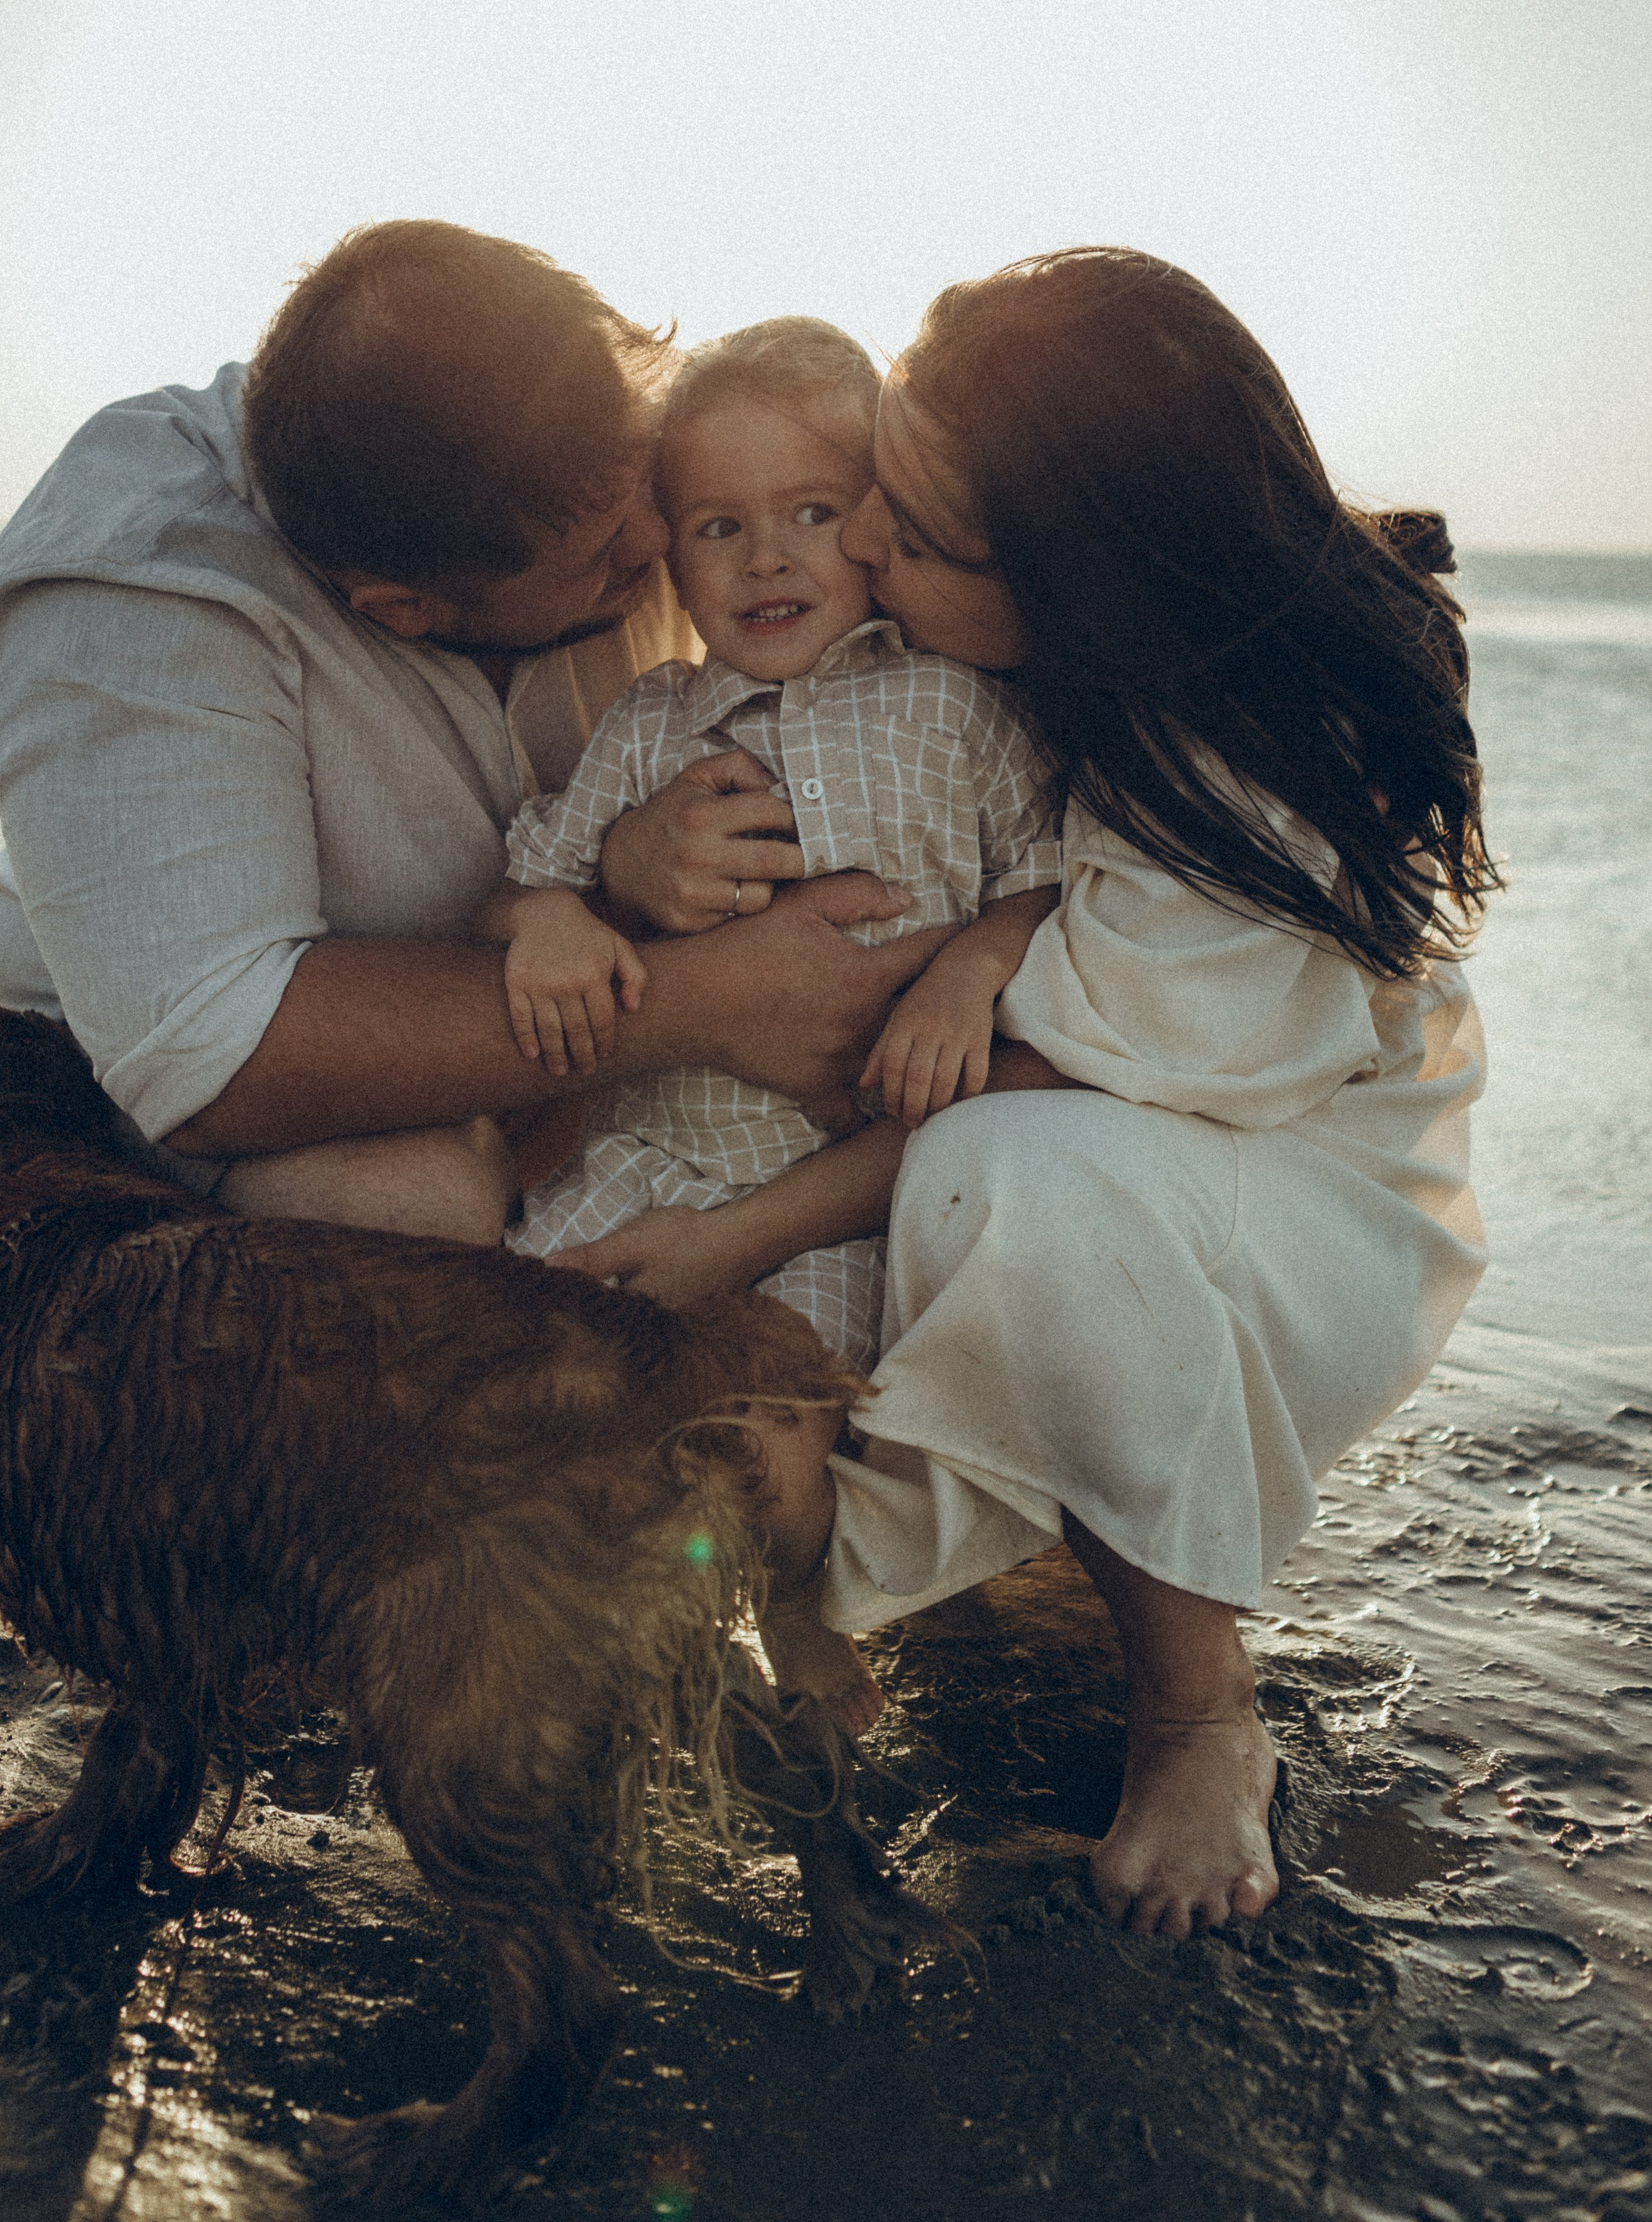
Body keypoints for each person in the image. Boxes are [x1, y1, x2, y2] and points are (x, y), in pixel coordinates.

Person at [575, 249, 1493, 1938]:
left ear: (1072, 575)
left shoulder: (1256, 759)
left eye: (905, 535)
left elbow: (1018, 1094)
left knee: (1012, 1179)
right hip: (1117, 1133)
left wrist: (727, 1233)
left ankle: (1199, 1710)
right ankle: (977, 1570)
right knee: (983, 1185)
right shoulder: (999, 669)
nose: (854, 551)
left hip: (1295, 1196)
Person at [0, 223, 944, 1228]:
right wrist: (711, 1003)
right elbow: (214, 1053)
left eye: (647, 486)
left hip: (563, 991)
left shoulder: (562, 429)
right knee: (415, 1205)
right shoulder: (132, 590)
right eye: (603, 556)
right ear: (404, 610)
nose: (659, 544)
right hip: (122, 1081)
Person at [474, 319, 1058, 1728]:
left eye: (809, 513)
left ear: (874, 523)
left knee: (782, 1450)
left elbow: (1042, 882)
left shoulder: (953, 706)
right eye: (719, 525)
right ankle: (581, 1637)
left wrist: (964, 970)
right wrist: (561, 912)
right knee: (530, 1386)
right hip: (643, 1148)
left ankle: (792, 1616)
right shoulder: (648, 722)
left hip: (828, 1198)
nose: (768, 557)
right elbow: (524, 883)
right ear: (669, 552)